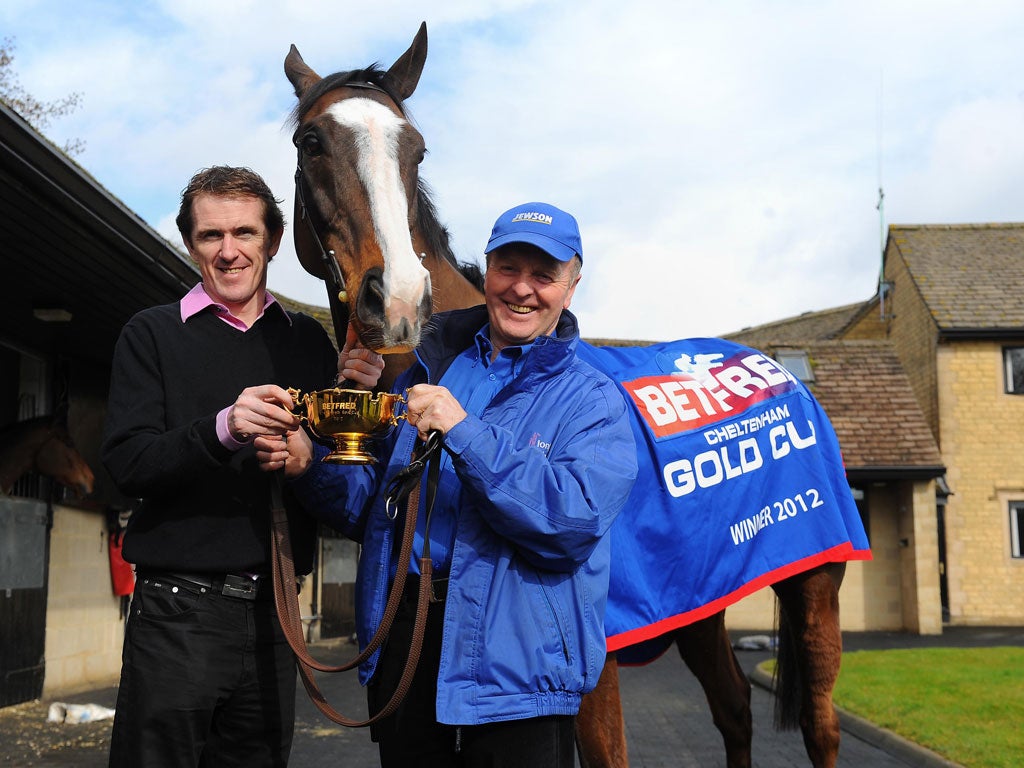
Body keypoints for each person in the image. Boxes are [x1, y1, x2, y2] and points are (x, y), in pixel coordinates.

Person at [265, 201, 638, 767]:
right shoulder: (431, 368)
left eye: (544, 275)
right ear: (486, 270)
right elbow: (377, 509)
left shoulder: (594, 400)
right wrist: (310, 465)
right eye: (508, 268)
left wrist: (465, 433)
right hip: (408, 648)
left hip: (516, 674)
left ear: (572, 285)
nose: (522, 289)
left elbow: (569, 524)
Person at [101, 165, 382, 767]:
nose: (229, 252)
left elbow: (344, 492)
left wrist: (314, 452)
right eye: (211, 236)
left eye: (245, 234)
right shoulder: (150, 334)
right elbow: (127, 463)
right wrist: (224, 428)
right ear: (190, 243)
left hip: (276, 615)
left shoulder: (308, 343)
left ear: (273, 241)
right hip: (177, 613)